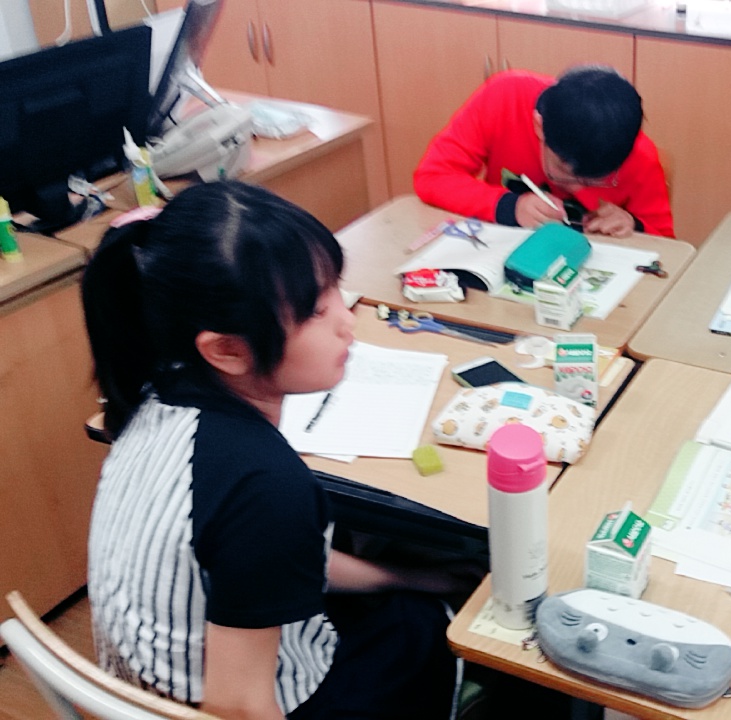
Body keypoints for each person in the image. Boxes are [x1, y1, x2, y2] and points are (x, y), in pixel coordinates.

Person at [82, 182, 474, 719]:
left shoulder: (155, 393)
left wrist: (411, 577)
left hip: (149, 684)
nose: (346, 320)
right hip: (222, 702)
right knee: (423, 631)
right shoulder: (265, 487)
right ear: (226, 350)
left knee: (406, 596)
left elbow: (269, 557)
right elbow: (238, 708)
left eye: (335, 290)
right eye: (314, 310)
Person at [413, 65, 674, 238]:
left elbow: (665, 242)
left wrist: (634, 226)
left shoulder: (638, 153)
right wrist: (509, 207)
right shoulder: (505, 97)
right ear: (539, 126)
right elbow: (433, 176)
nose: (576, 188)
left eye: (594, 181)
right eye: (562, 171)